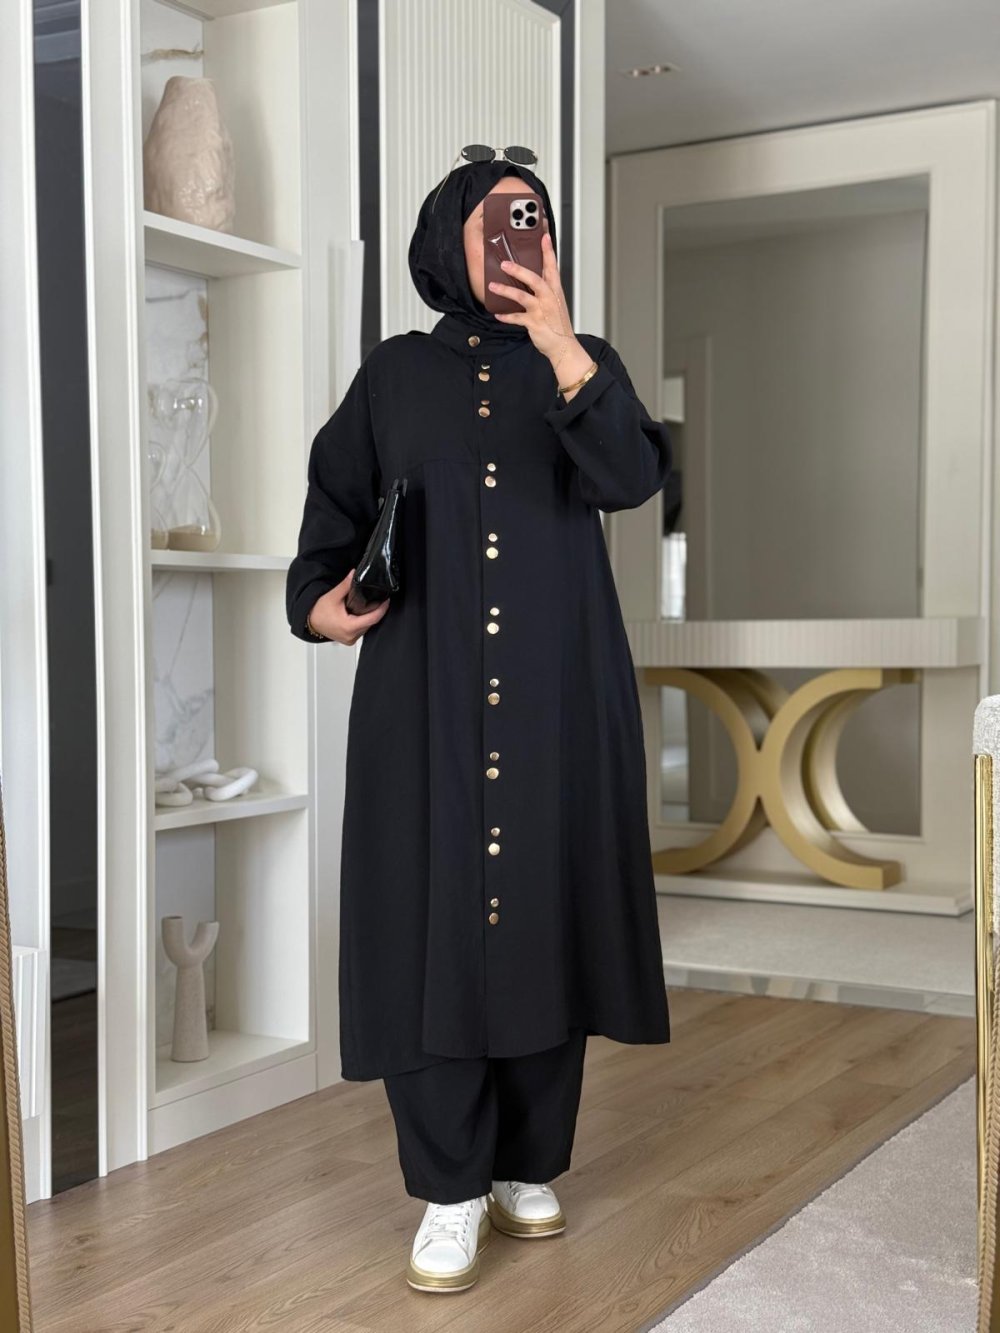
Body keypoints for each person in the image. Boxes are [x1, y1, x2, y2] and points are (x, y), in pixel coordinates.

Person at [285, 151, 673, 1294]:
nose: (518, 239)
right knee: (430, 917)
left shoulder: (584, 361)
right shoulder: (395, 376)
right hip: (424, 693)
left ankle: (524, 1164)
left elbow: (629, 480)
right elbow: (331, 513)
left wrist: (562, 345)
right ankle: (449, 1184)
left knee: (549, 905)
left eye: (532, 220)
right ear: (449, 238)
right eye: (496, 220)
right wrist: (320, 605)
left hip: (559, 690)